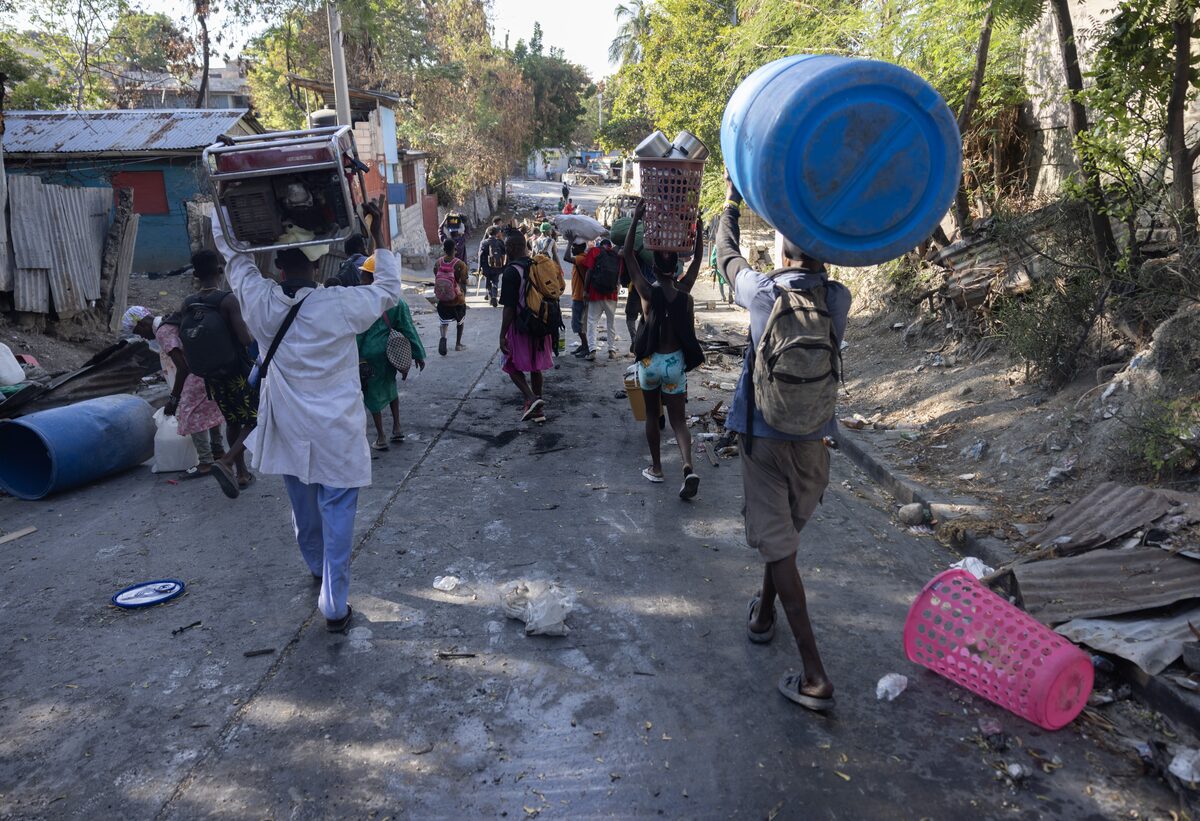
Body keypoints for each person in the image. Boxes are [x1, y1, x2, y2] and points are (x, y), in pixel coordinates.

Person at [212, 200, 400, 634]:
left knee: (303, 507)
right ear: (317, 266)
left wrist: (226, 207)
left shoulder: (258, 301)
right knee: (338, 510)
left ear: (278, 266)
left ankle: (316, 566)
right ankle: (333, 602)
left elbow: (234, 258)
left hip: (289, 427)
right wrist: (378, 233)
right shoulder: (339, 304)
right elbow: (388, 289)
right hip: (337, 430)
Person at [716, 172, 850, 712]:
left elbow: (725, 254)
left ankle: (815, 676)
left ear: (782, 251)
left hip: (764, 439)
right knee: (783, 542)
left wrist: (731, 202)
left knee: (779, 547)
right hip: (814, 441)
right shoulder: (838, 298)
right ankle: (764, 614)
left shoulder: (762, 293)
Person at [623, 200, 705, 498]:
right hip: (675, 364)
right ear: (676, 269)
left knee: (651, 415)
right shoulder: (685, 293)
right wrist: (698, 229)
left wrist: (636, 218)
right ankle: (687, 466)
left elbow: (628, 255)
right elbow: (697, 261)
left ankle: (657, 468)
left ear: (655, 267)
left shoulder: (647, 292)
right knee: (679, 420)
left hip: (650, 364)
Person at [179, 249, 259, 496]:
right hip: (237, 373)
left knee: (232, 420)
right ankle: (226, 461)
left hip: (213, 376)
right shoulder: (227, 300)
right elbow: (245, 339)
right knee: (256, 420)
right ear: (220, 270)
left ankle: (242, 473)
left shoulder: (188, 304)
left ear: (195, 274)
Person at [125, 306, 225, 477]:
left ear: (141, 323)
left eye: (138, 331)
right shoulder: (169, 321)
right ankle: (218, 452)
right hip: (207, 368)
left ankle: (205, 462)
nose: (142, 336)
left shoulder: (162, 332)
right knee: (209, 408)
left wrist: (174, 398)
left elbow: (182, 367)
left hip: (194, 373)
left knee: (190, 412)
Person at [356, 255, 426, 450]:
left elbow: (358, 333)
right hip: (389, 352)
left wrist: (355, 356)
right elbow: (408, 328)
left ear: (373, 278)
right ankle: (397, 427)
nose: (361, 279)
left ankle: (381, 437)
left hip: (368, 355)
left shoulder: (364, 301)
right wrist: (418, 354)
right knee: (390, 386)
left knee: (371, 393)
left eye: (364, 275)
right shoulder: (397, 302)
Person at [498, 232, 556, 422]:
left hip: (521, 326)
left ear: (512, 247)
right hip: (541, 322)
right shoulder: (537, 265)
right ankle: (537, 410)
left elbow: (509, 308)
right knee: (535, 367)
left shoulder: (511, 271)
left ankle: (531, 398)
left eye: (507, 246)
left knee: (507, 362)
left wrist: (502, 335)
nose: (505, 250)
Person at [582, 238, 621, 361]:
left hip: (595, 292)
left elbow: (589, 271)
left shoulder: (594, 251)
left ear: (601, 244)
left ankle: (592, 350)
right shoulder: (616, 255)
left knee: (592, 321)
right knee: (611, 322)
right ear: (610, 246)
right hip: (612, 294)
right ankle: (611, 350)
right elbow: (619, 276)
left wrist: (585, 290)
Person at [433, 238, 469, 355]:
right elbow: (464, 280)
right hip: (457, 300)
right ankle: (458, 344)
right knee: (460, 321)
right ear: (455, 249)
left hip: (443, 299)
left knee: (444, 322)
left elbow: (435, 274)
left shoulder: (438, 262)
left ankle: (443, 338)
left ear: (444, 250)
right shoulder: (460, 264)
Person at [568, 241, 590, 357]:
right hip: (579, 295)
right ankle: (584, 344)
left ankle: (586, 346)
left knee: (578, 323)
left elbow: (566, 258)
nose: (572, 248)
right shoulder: (582, 258)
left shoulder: (581, 258)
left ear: (580, 248)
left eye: (574, 247)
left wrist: (568, 242)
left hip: (579, 296)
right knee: (580, 323)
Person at [479, 226, 506, 307]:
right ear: (496, 233)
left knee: (488, 280)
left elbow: (480, 255)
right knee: (495, 281)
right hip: (497, 266)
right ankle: (494, 296)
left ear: (488, 233)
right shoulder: (499, 242)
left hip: (486, 266)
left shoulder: (483, 242)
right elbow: (504, 253)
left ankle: (490, 295)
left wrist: (479, 267)